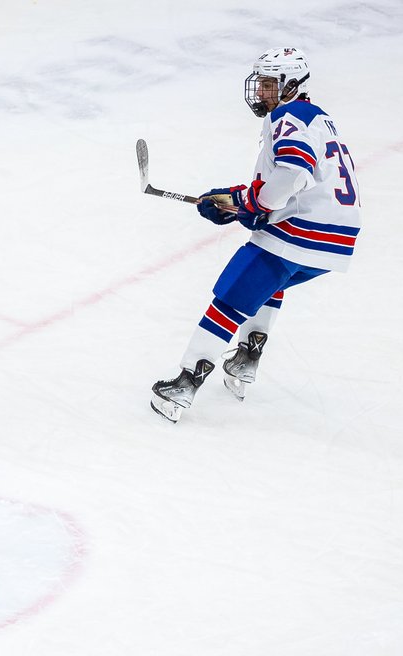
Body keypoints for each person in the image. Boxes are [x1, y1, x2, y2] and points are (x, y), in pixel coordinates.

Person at [150, 47, 361, 422]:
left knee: (231, 296)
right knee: (269, 283)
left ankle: (185, 382)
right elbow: (290, 182)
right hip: (335, 238)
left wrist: (255, 206)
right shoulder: (317, 118)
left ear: (291, 84)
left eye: (268, 84)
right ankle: (248, 356)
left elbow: (293, 173)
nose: (261, 92)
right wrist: (237, 200)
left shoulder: (288, 116)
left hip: (303, 230)